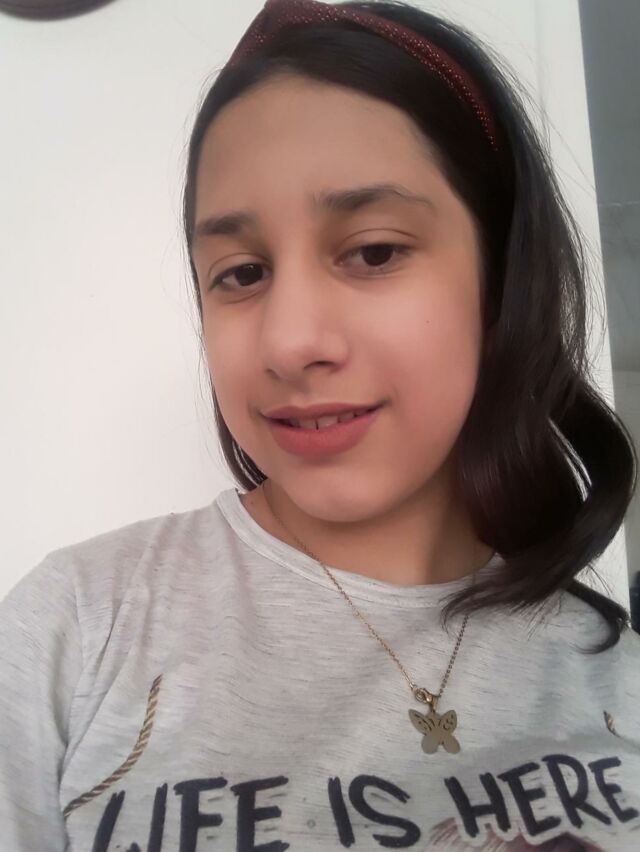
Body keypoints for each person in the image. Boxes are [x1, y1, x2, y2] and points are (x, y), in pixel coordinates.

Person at [1, 0, 639, 848]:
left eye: (373, 251)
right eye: (241, 273)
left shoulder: (613, 676)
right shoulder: (75, 626)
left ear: (500, 282)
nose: (290, 343)